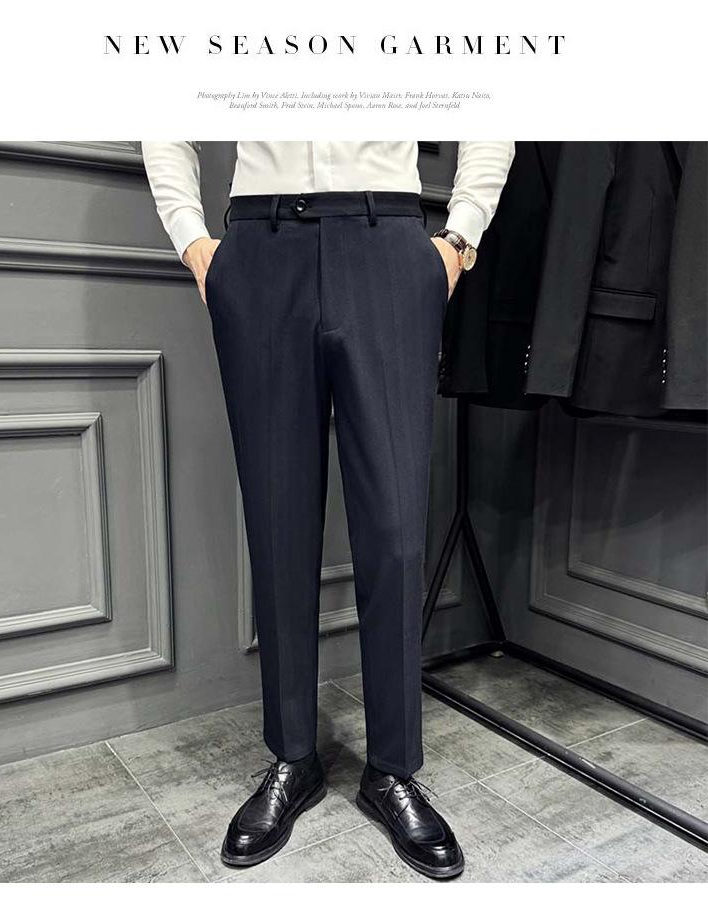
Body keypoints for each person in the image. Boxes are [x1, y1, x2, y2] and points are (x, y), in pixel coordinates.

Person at [142, 141, 514, 880]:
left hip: (389, 246)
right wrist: (193, 241)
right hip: (261, 247)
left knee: (396, 532)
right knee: (278, 522)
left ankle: (392, 770)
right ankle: (293, 757)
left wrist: (459, 238)